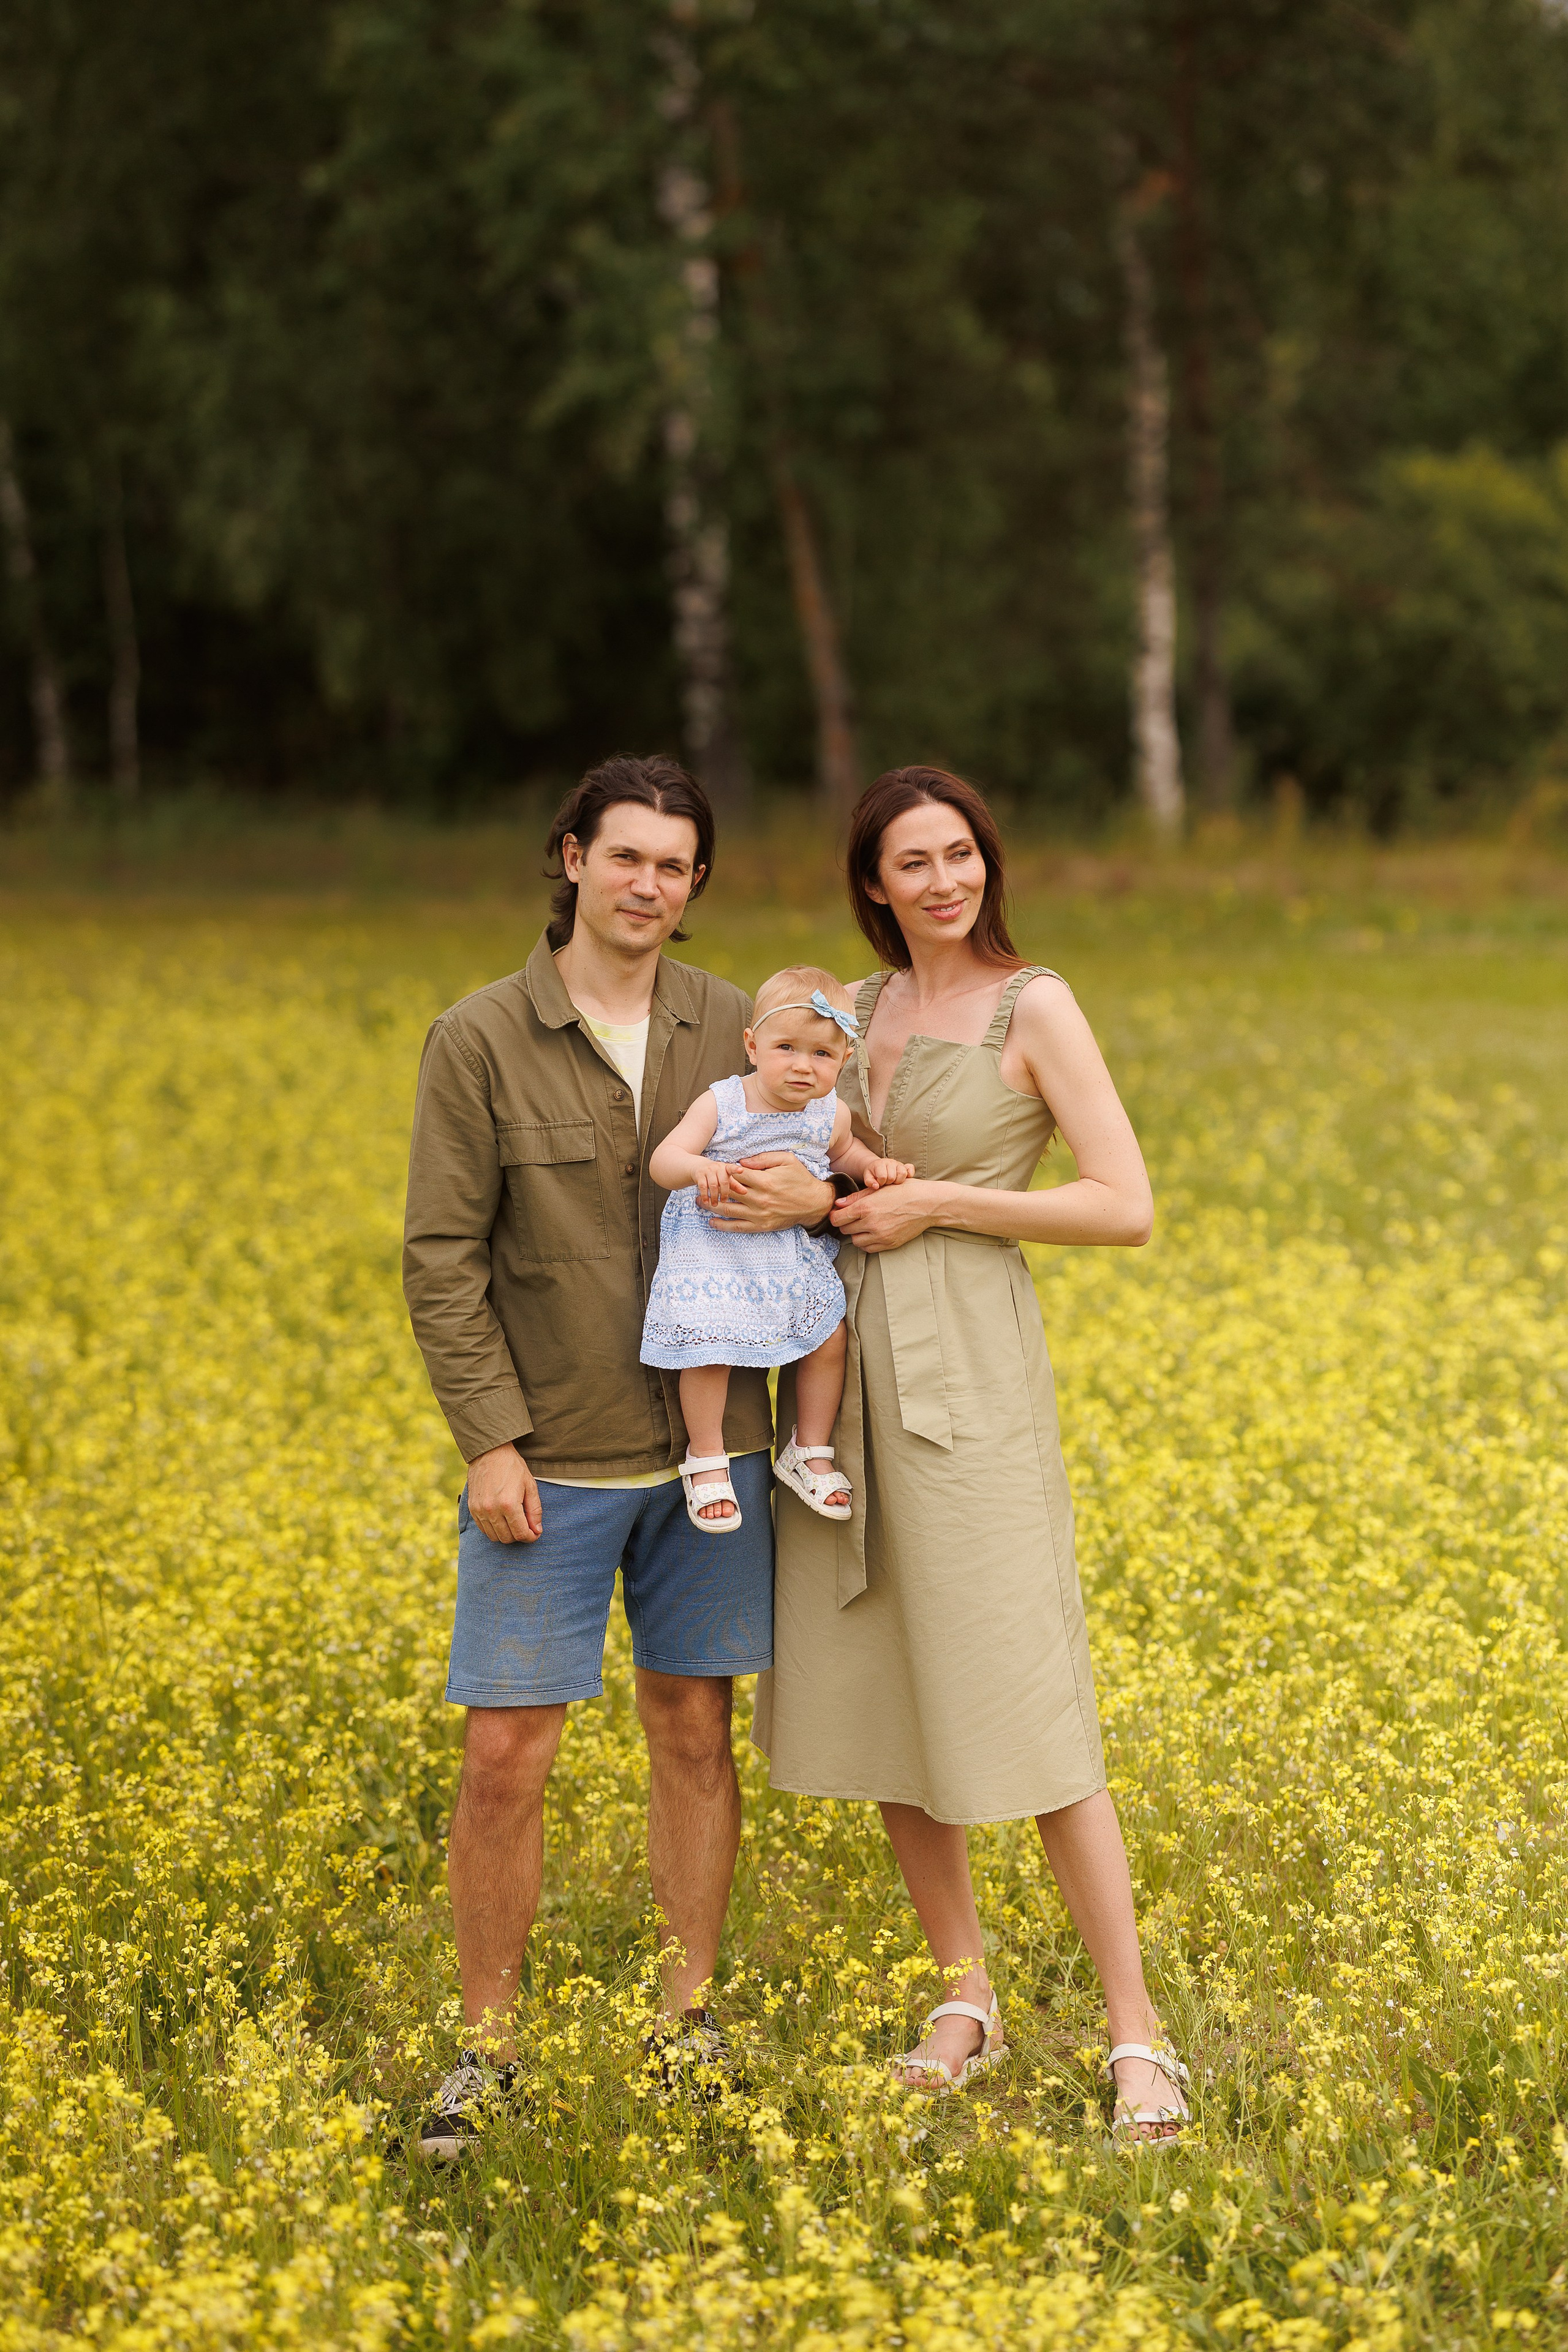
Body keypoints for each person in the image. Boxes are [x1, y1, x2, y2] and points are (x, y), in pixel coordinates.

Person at [402, 753, 837, 2158]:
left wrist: (815, 1190)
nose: (649, 883)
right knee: (505, 1752)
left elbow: (829, 1160)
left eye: (675, 863)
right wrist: (489, 1440)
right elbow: (439, 1258)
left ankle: (687, 2022)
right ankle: (487, 2051)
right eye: (626, 856)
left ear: (695, 883)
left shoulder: (743, 1023)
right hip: (553, 1459)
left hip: (715, 1456)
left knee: (693, 1732)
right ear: (572, 857)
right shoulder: (476, 1037)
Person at [752, 764, 1191, 2143]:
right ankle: (965, 1997)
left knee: (1030, 1700)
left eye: (959, 855)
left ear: (984, 864)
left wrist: (936, 1199)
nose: (942, 881)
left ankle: (1137, 2034)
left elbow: (1121, 1206)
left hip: (967, 1373)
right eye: (911, 863)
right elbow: (803, 1137)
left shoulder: (1032, 1005)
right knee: (883, 1680)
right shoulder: (857, 1008)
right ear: (871, 887)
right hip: (834, 1365)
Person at [642, 967, 914, 1531]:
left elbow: (846, 1155)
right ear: (752, 1045)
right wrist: (702, 1169)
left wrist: (875, 1168)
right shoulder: (723, 1102)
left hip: (787, 1253)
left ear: (842, 1062)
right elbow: (664, 1163)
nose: (801, 1065)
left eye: (821, 1054)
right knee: (709, 1347)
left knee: (829, 1334)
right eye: (785, 1047)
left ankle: (808, 1448)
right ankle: (707, 1456)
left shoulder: (829, 1113)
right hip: (718, 1248)